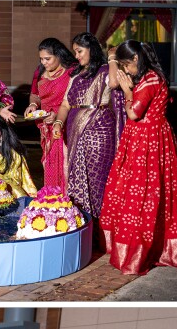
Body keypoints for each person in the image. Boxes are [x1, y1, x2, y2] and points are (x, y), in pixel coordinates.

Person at [100, 41, 177, 275]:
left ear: (135, 59)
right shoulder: (146, 77)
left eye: (125, 65)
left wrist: (128, 91)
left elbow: (133, 113)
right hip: (141, 139)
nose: (125, 70)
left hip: (149, 142)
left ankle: (140, 252)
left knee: (143, 195)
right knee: (136, 191)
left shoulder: (151, 80)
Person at [52, 33, 126, 227]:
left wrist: (112, 57)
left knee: (97, 178)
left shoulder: (105, 70)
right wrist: (58, 122)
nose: (76, 56)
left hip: (100, 130)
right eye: (75, 52)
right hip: (75, 129)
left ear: (91, 49)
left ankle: (102, 227)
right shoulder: (75, 75)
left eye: (79, 51)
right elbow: (65, 104)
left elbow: (114, 83)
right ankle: (82, 224)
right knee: (77, 177)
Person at [26, 38, 77, 191]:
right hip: (46, 127)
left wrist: (57, 115)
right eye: (41, 59)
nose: (44, 62)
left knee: (65, 164)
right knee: (49, 163)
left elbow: (76, 99)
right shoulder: (40, 72)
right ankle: (52, 198)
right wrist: (33, 105)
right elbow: (35, 94)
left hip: (65, 125)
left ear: (59, 55)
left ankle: (66, 198)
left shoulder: (72, 71)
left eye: (47, 59)